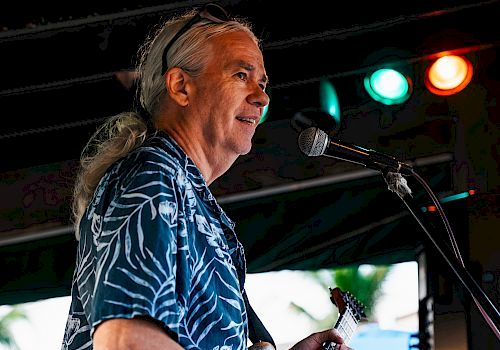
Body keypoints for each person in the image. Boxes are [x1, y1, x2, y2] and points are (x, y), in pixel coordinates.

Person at [61, 3, 352, 350]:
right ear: (181, 86)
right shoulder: (152, 176)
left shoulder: (186, 193)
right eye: (241, 75)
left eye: (262, 83)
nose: (261, 97)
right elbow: (128, 342)